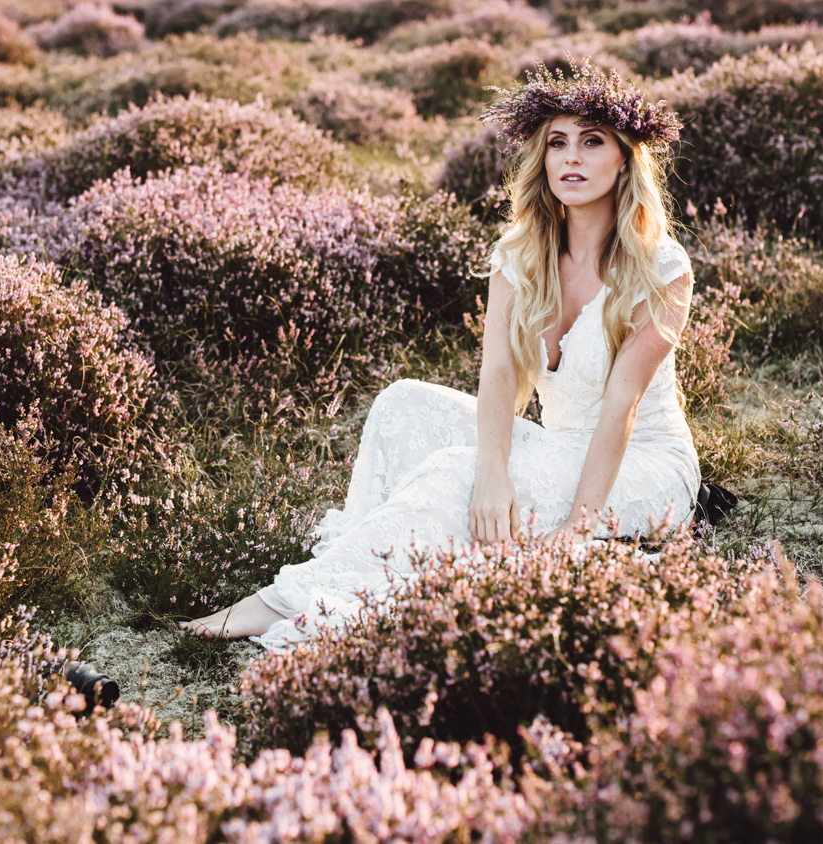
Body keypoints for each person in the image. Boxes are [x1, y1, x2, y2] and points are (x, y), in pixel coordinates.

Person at [181, 58, 700, 649]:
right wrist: (494, 473)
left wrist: (578, 531)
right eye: (557, 143)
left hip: (643, 466)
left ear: (625, 159)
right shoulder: (520, 258)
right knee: (401, 405)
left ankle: (283, 604)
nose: (571, 157)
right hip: (560, 445)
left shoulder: (661, 268)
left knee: (451, 472)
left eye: (592, 141)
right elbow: (501, 377)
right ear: (543, 160)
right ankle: (363, 562)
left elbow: (622, 408)